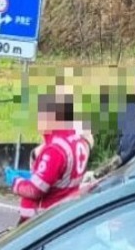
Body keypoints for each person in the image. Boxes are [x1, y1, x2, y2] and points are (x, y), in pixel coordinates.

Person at [10, 91, 92, 224]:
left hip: (41, 221)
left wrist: (15, 182)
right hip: (60, 214)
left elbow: (35, 190)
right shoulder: (76, 141)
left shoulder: (54, 150)